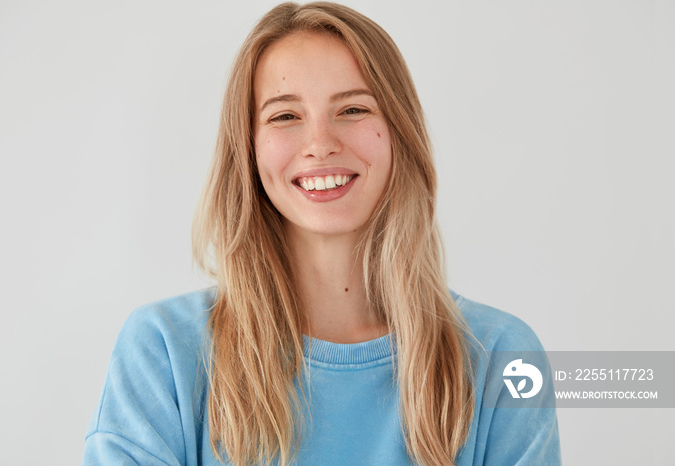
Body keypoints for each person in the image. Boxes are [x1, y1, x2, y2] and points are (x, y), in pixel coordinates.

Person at [83, 2, 561, 465]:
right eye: (285, 116)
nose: (320, 145)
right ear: (248, 150)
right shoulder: (162, 352)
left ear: (399, 132)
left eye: (352, 109)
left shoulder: (502, 356)